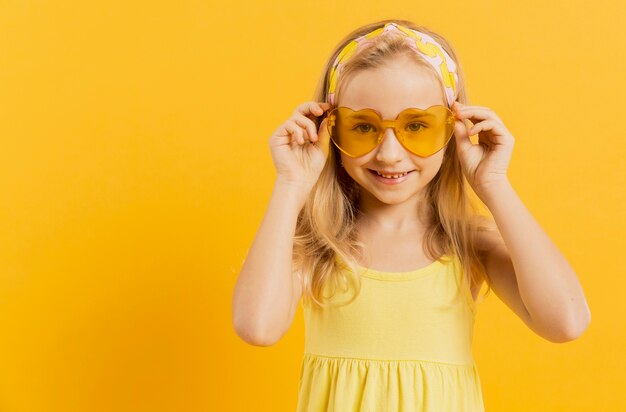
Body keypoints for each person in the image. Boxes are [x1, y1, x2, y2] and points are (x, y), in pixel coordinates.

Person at [232, 18, 591, 411]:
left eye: (416, 126)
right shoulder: (317, 241)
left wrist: (494, 183)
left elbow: (566, 322)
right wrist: (290, 183)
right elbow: (257, 327)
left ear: (453, 128)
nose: (389, 153)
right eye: (364, 127)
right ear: (328, 128)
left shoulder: (466, 242)